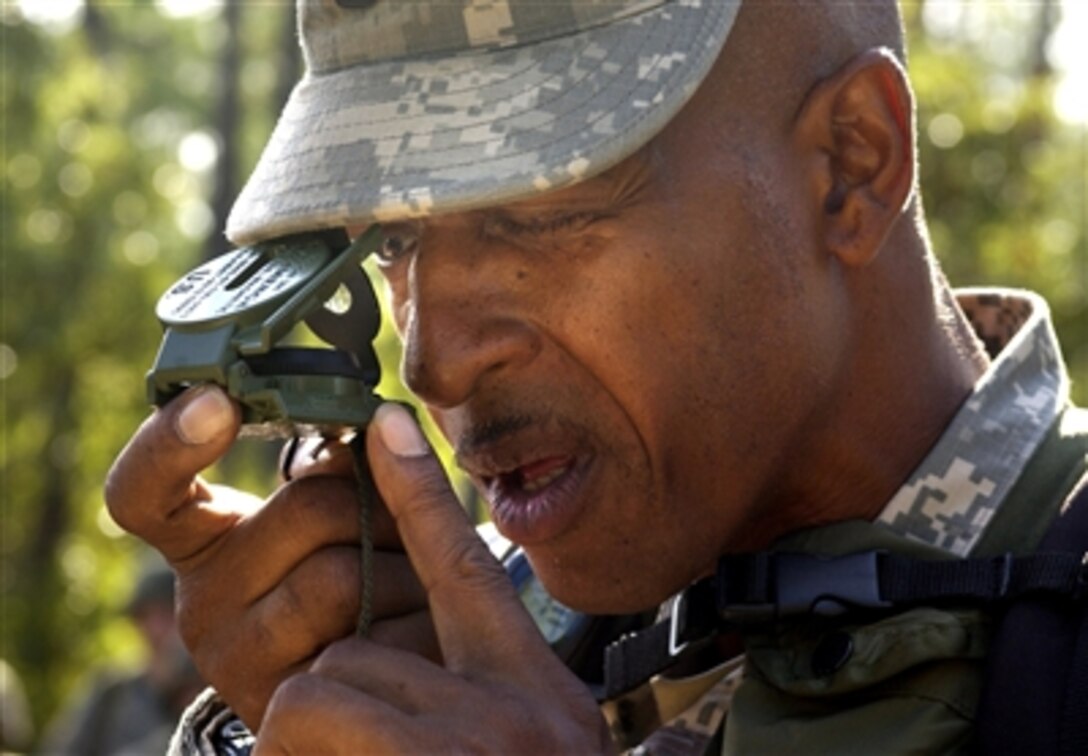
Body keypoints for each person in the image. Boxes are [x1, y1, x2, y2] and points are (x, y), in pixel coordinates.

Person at [104, 0, 1088, 753]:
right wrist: (277, 716)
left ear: (849, 165)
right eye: (395, 240)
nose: (432, 359)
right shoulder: (481, 625)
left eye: (536, 213)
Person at [38, 560, 205, 756]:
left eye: (167, 615)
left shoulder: (216, 694)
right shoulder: (112, 694)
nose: (156, 629)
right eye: (146, 616)